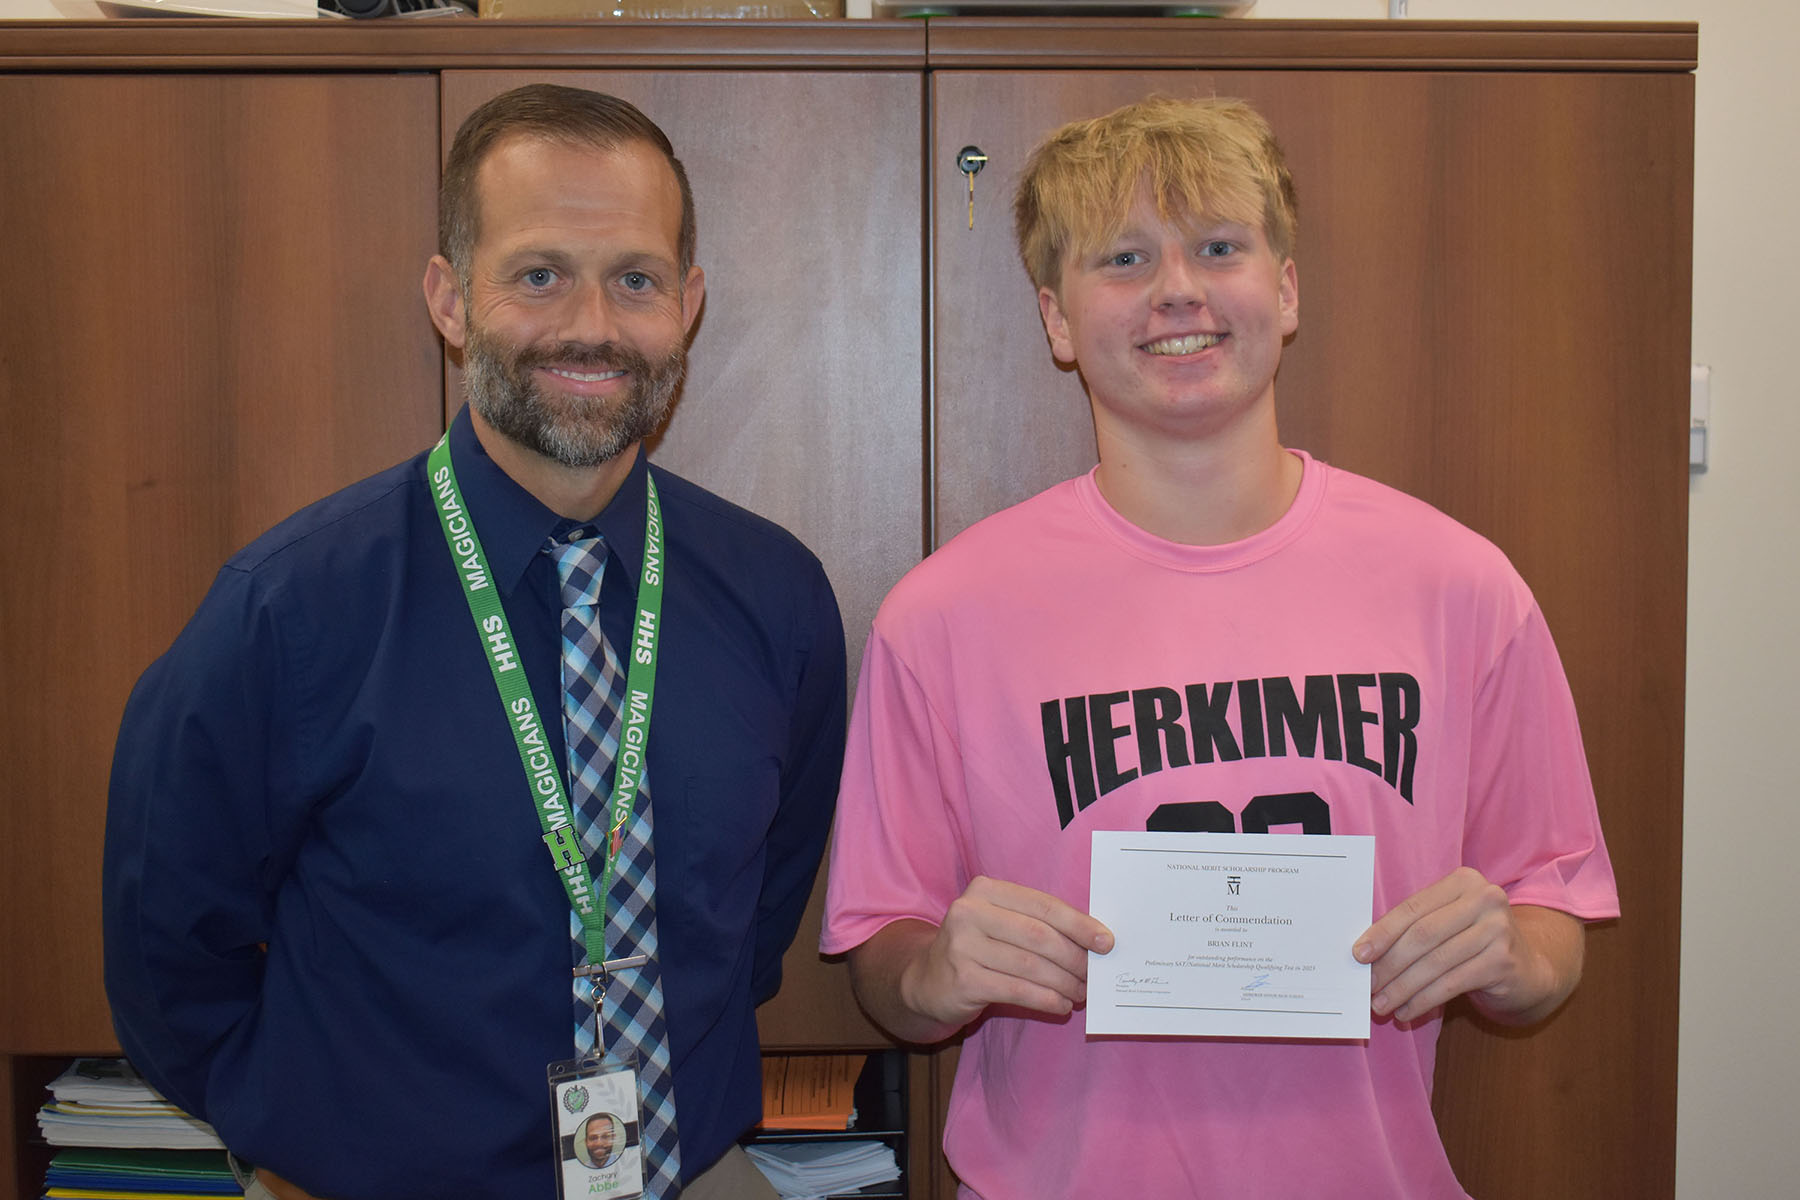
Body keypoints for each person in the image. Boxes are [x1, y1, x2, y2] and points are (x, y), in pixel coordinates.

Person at [820, 96, 1617, 1197]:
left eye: (1219, 247)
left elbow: (1552, 910)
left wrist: (1514, 954)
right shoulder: (942, 616)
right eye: (1125, 257)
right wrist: (938, 972)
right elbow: (881, 955)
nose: (1178, 288)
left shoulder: (1461, 586)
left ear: (1284, 291)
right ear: (1056, 321)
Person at [104, 84, 844, 1200]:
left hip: (683, 1176)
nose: (591, 324)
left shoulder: (776, 595)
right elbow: (170, 955)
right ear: (450, 300)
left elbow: (758, 917)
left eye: (634, 279)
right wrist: (317, 1135)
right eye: (538, 275)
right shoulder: (288, 610)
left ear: (687, 304)